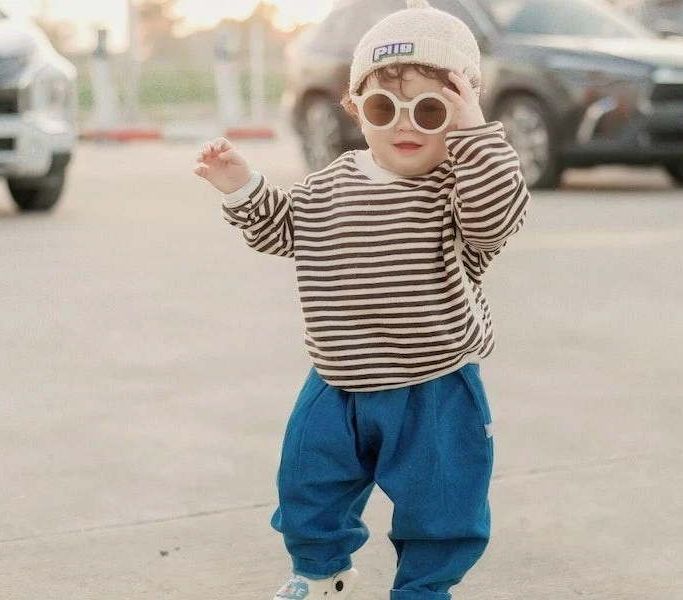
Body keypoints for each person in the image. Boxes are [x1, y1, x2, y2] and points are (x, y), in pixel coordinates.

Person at [194, 1, 530, 598]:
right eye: (383, 108)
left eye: (432, 111)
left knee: (443, 508)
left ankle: (424, 590)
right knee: (306, 487)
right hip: (337, 378)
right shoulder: (332, 180)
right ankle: (322, 575)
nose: (406, 126)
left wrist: (476, 131)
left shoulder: (459, 187)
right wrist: (242, 186)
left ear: (460, 115)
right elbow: (283, 229)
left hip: (434, 385)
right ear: (356, 109)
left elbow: (496, 216)